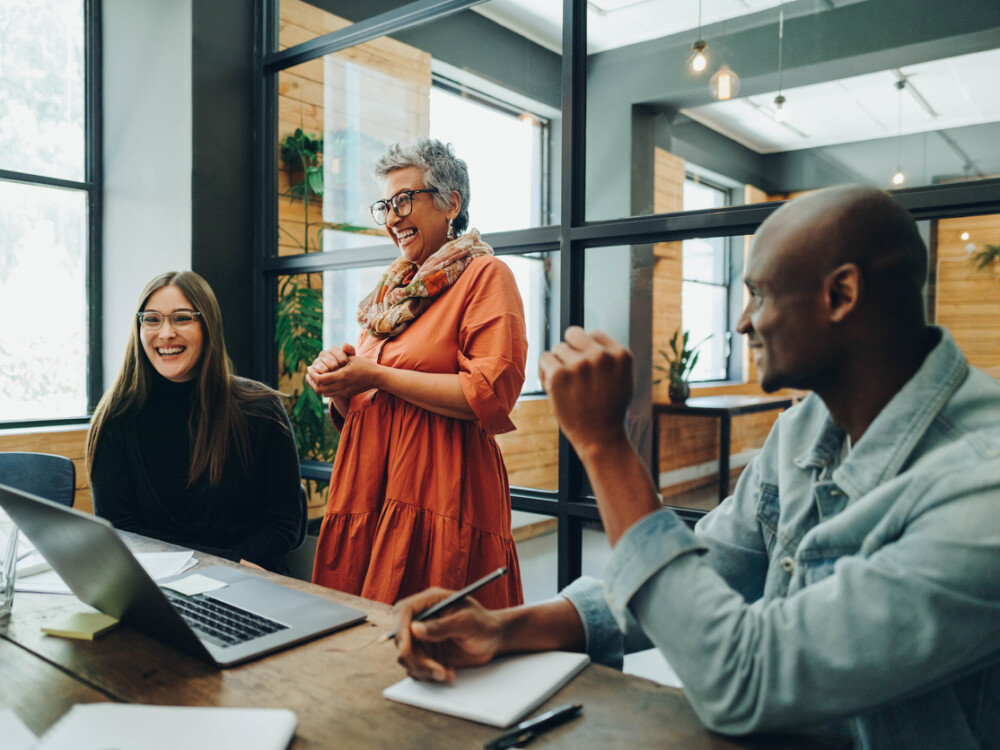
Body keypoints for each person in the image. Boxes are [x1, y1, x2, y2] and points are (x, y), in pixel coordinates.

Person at [391, 185, 1000, 747]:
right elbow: (698, 572)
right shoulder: (803, 431)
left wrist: (605, 445)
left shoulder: (981, 492)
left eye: (758, 294)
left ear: (841, 295)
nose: (741, 324)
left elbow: (745, 678)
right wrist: (505, 629)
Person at [306, 138, 526, 608]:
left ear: (452, 203)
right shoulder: (391, 295)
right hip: (369, 489)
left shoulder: (486, 276)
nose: (391, 218)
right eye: (385, 205)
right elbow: (361, 408)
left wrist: (377, 376)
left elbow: (487, 394)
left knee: (439, 643)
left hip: (441, 492)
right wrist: (339, 383)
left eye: (404, 199)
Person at [87, 271, 304, 573]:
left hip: (246, 582)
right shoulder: (116, 417)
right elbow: (121, 530)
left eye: (182, 318)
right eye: (152, 319)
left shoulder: (260, 408)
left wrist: (225, 571)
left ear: (208, 326)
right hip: (155, 586)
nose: (165, 333)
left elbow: (283, 524)